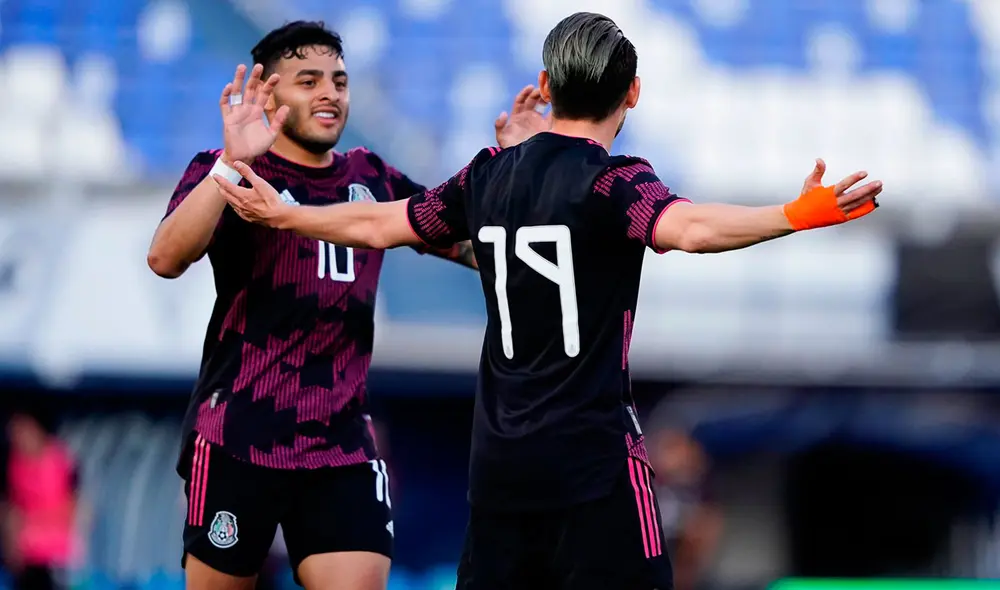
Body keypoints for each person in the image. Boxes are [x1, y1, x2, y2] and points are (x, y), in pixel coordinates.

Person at [210, 11, 882, 589]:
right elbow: (693, 230)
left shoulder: (488, 174)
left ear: (551, 88)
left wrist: (287, 215)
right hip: (593, 468)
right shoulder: (614, 182)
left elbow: (381, 222)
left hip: (501, 471)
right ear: (634, 93)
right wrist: (794, 213)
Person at [145, 20, 543, 590]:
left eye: (339, 80)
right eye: (308, 81)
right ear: (268, 93)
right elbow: (165, 257)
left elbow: (480, 250)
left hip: (340, 444)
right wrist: (230, 165)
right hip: (239, 435)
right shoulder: (227, 171)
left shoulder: (372, 177)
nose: (330, 93)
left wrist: (518, 180)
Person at [2, 413, 80, 590]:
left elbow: (73, 507)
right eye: (13, 434)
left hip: (54, 553)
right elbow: (10, 507)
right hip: (25, 554)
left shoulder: (59, 460)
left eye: (22, 431)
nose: (18, 438)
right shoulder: (14, 463)